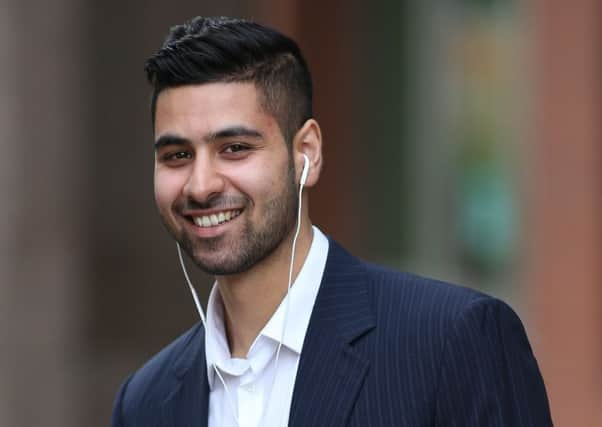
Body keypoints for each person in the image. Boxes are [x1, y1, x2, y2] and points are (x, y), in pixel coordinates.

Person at [111, 16, 552, 427]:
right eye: (177, 156)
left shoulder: (453, 342)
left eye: (235, 148)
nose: (200, 185)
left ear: (307, 152)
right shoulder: (145, 403)